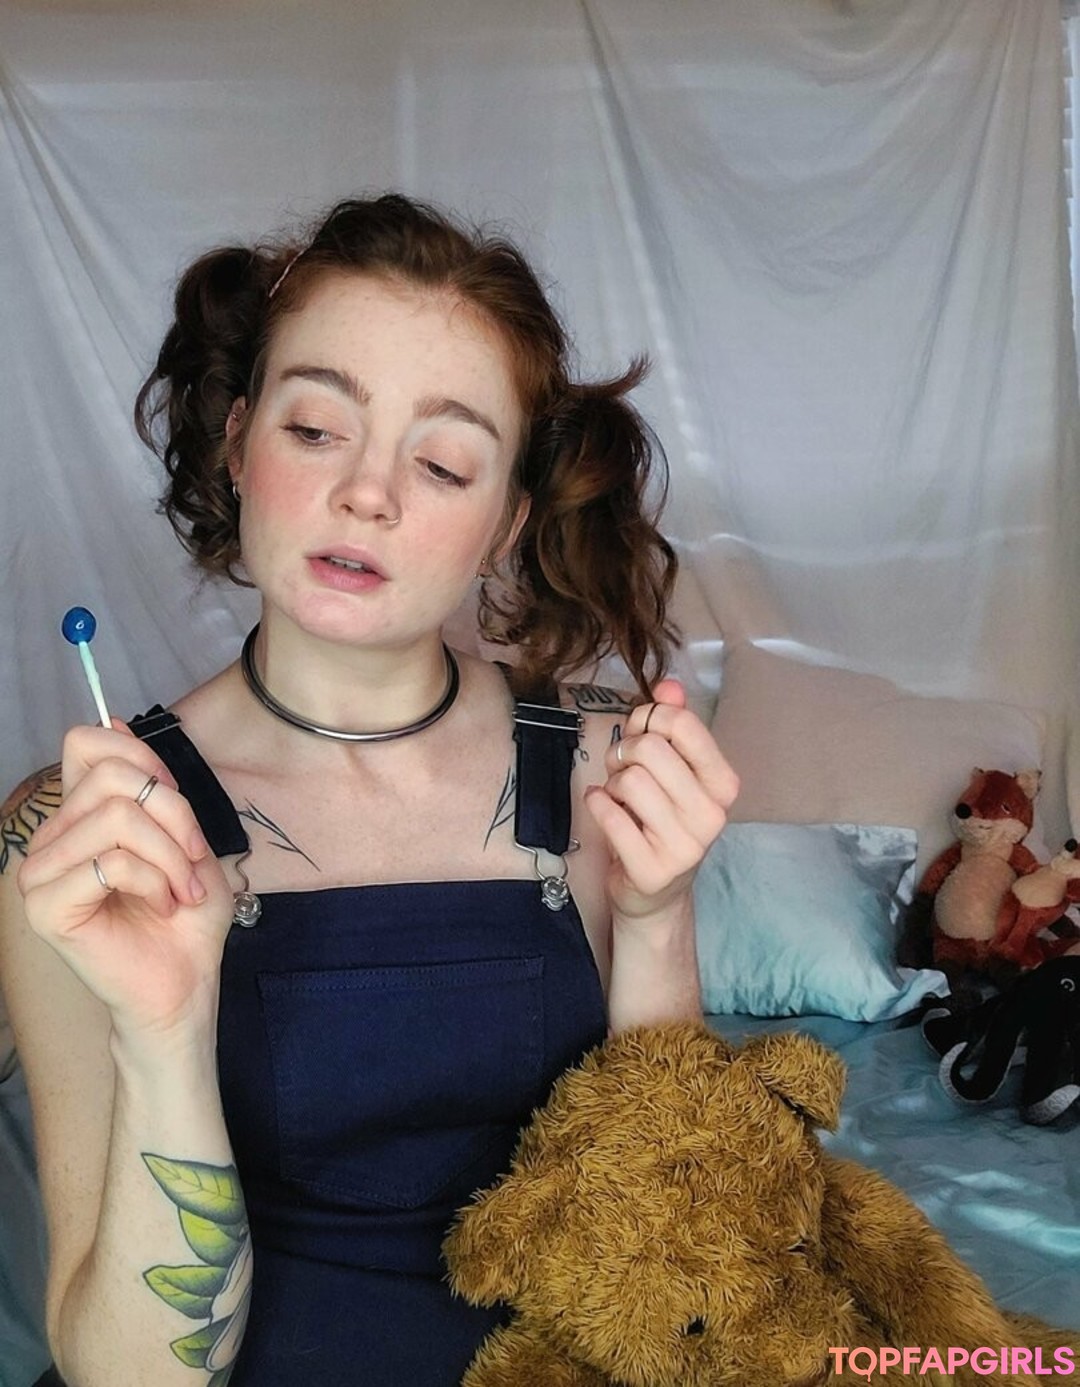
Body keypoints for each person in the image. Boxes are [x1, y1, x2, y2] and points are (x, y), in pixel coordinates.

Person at [0, 193, 738, 1387]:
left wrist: (657, 920)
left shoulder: (608, 774)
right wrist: (165, 1030)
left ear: (504, 522)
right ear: (238, 443)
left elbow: (681, 1274)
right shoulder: (87, 838)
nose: (369, 493)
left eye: (442, 462)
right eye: (315, 429)